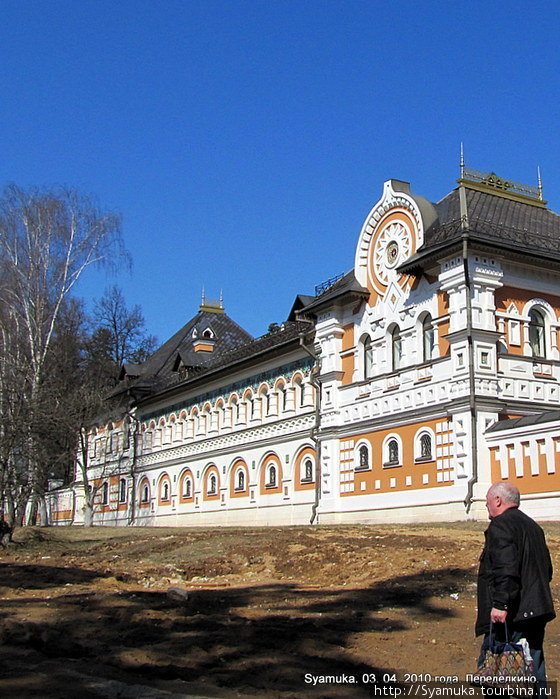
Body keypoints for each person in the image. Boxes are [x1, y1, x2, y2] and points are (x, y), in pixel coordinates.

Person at [476, 482, 555, 692]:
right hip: (536, 610)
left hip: (512, 615)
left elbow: (505, 568)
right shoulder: (533, 527)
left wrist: (501, 604)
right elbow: (546, 570)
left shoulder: (501, 525)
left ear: (498, 501)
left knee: (495, 673)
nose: (486, 507)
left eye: (487, 502)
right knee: (534, 668)